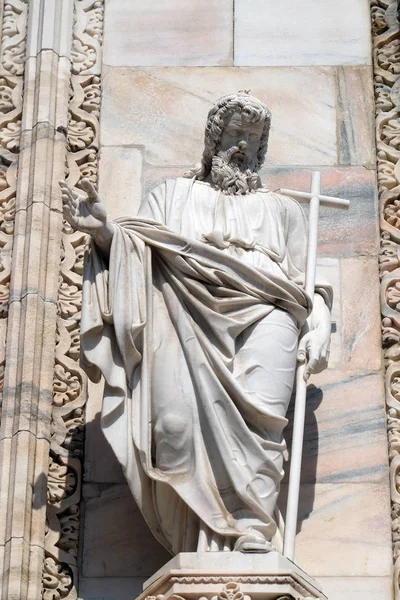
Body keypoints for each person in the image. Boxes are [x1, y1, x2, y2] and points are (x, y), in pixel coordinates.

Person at [60, 92, 331, 555]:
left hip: (269, 314)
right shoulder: (170, 196)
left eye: (253, 137)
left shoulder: (283, 209)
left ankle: (251, 529)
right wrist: (104, 232)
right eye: (234, 135)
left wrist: (321, 322)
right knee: (172, 424)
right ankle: (195, 542)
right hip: (183, 314)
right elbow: (136, 250)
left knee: (263, 424)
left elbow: (307, 281)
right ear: (212, 140)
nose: (243, 146)